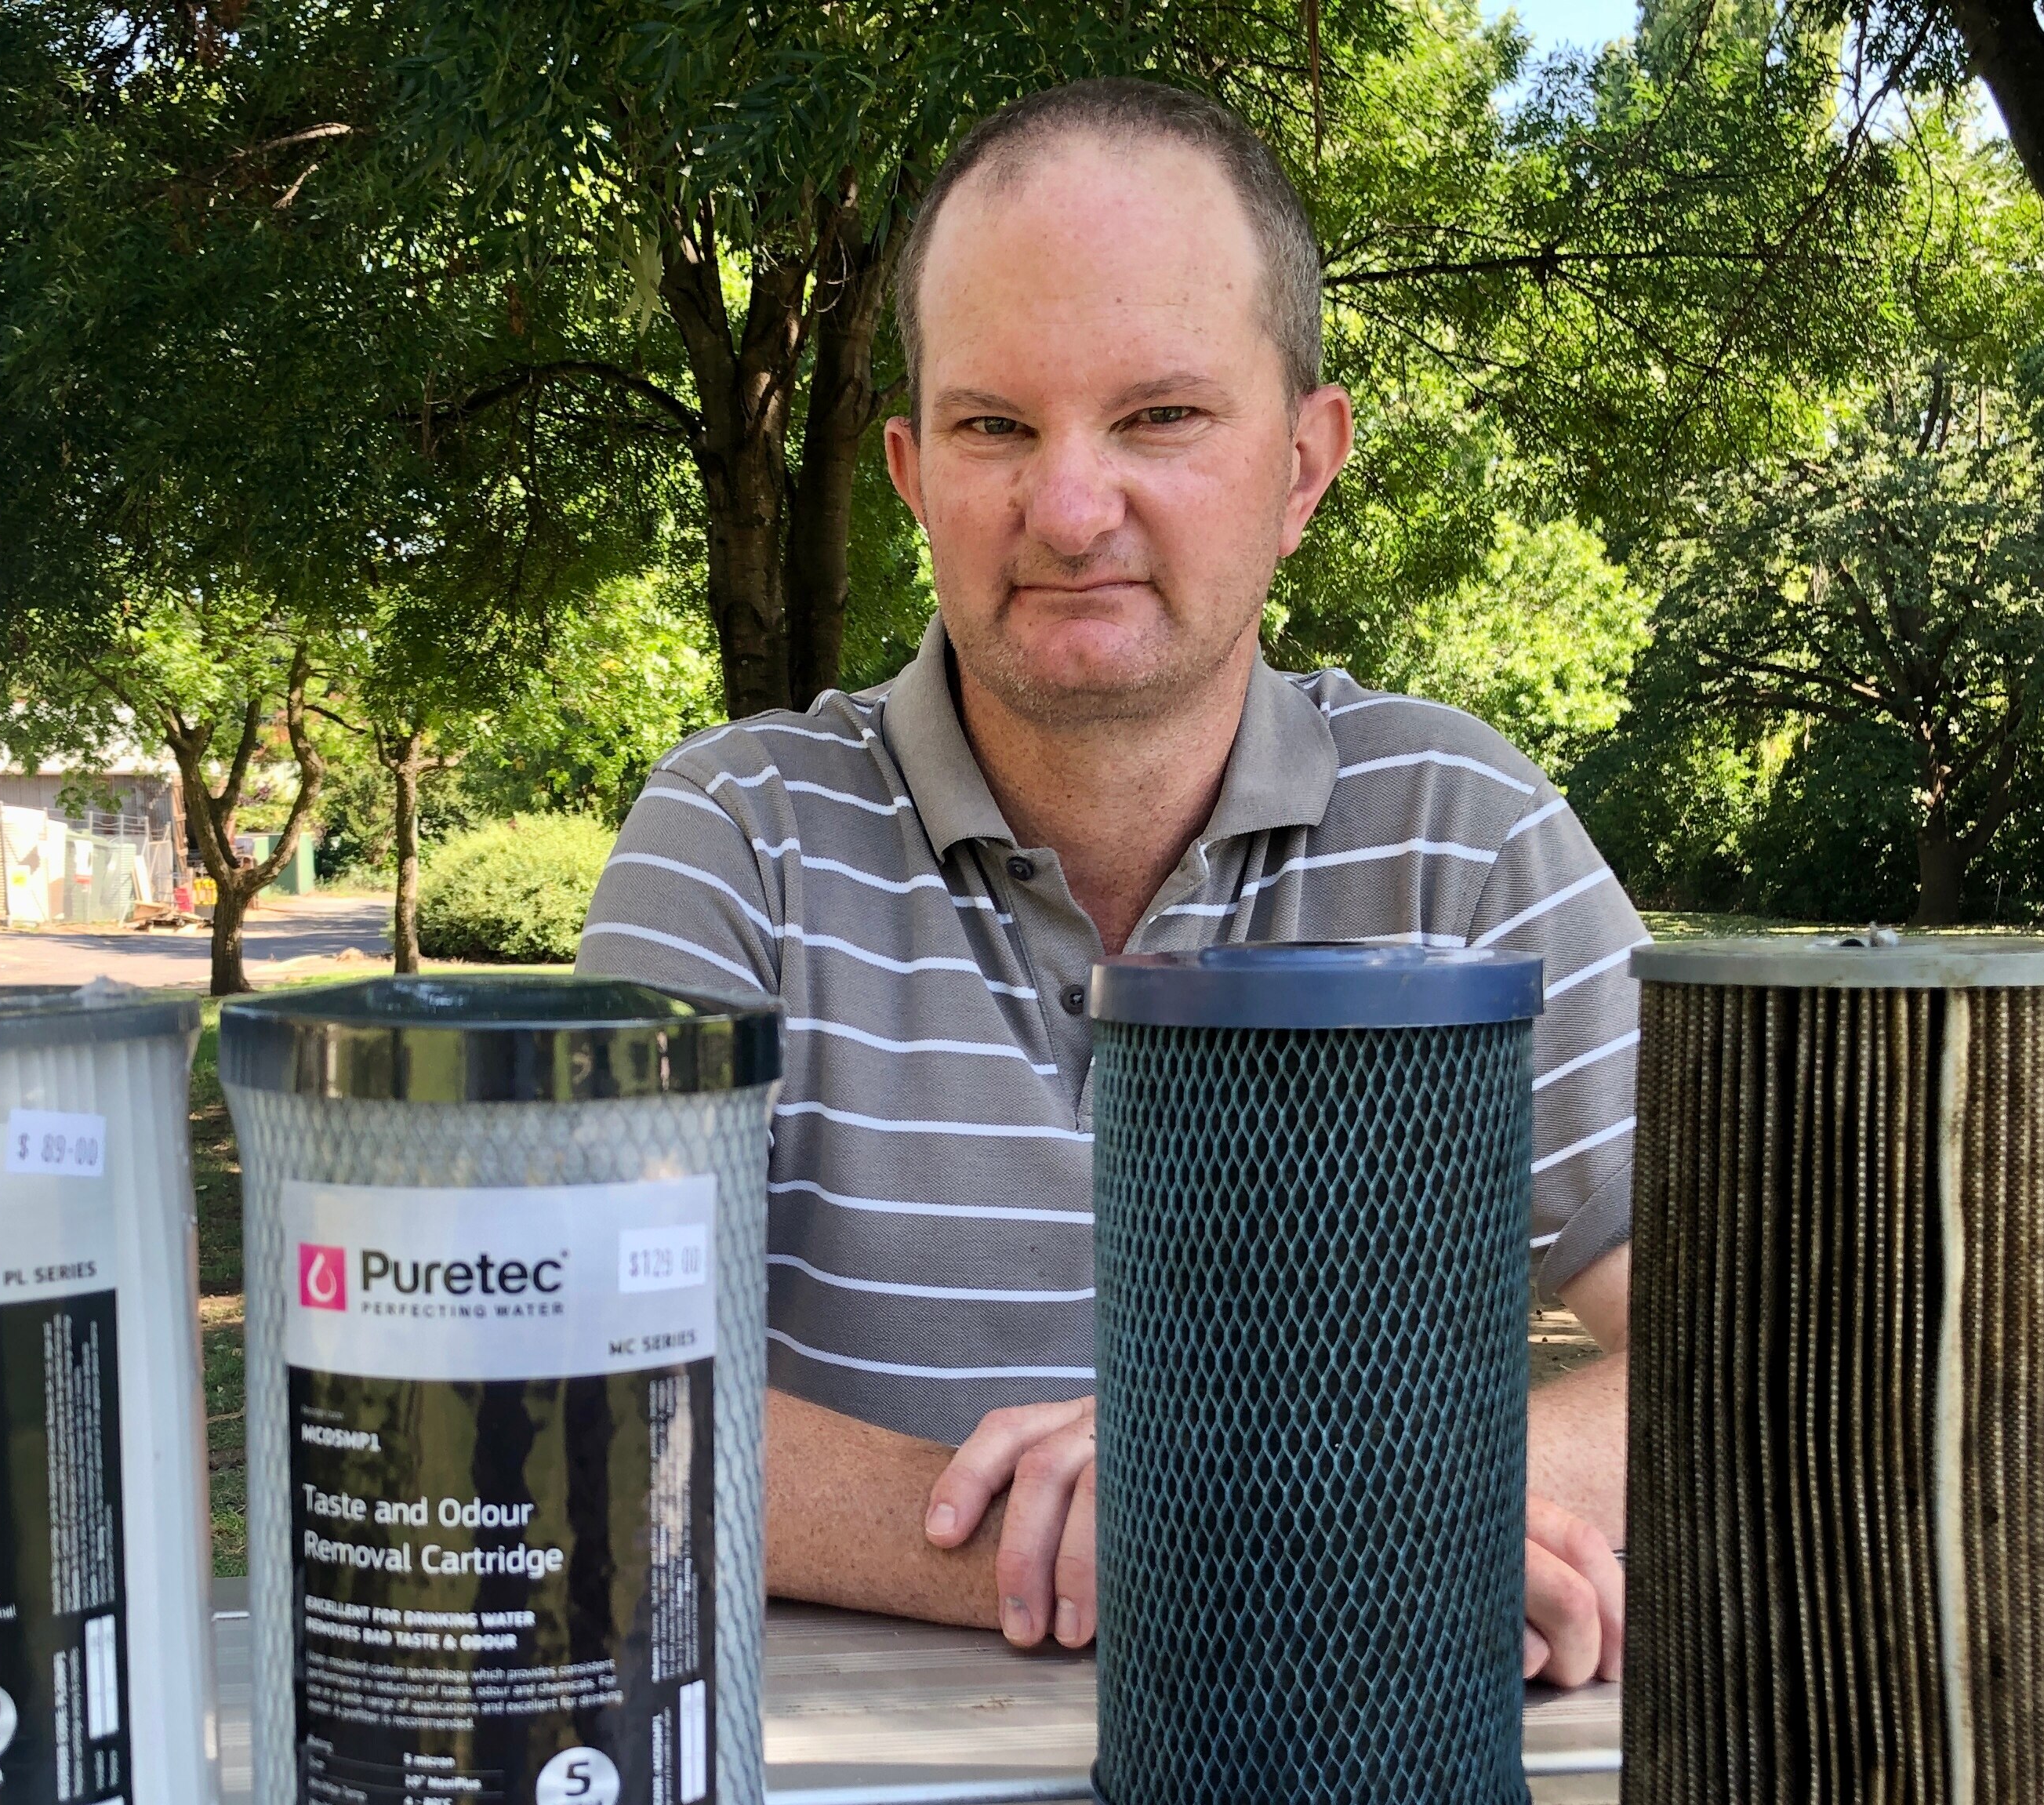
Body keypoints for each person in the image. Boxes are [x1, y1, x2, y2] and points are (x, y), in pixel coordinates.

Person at [575, 80, 1639, 1681]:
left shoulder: (1461, 829)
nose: (1070, 510)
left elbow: (1773, 1337)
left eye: (1160, 417)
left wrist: (1314, 1510)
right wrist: (1218, 1541)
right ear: (913, 471)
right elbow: (577, 1387)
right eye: (994, 425)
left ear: (1304, 463)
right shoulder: (736, 837)